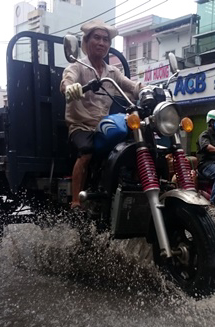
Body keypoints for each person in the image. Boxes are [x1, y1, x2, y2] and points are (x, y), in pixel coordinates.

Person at [60, 20, 141, 209]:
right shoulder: (78, 66)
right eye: (96, 38)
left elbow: (129, 85)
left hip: (103, 125)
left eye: (106, 39)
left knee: (135, 145)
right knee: (86, 154)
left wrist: (145, 89)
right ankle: (76, 202)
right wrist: (70, 88)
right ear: (86, 42)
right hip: (81, 126)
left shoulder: (112, 71)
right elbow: (67, 81)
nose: (102, 43)